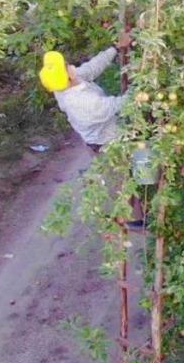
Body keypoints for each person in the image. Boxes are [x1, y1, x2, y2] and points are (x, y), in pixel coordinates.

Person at [39, 33, 145, 229]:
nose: (69, 64)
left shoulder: (66, 83)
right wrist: (141, 85)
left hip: (110, 133)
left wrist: (115, 48)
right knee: (123, 182)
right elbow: (118, 104)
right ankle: (134, 221)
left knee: (129, 174)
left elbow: (92, 67)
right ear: (67, 75)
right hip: (106, 143)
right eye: (66, 65)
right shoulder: (82, 104)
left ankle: (139, 206)